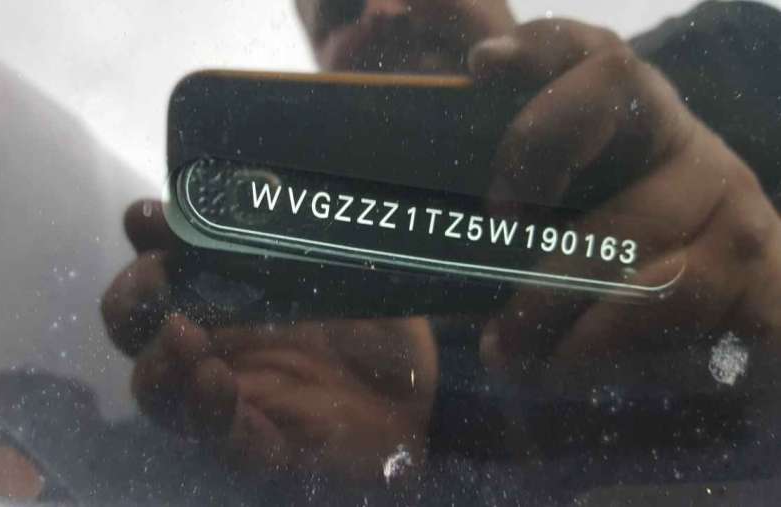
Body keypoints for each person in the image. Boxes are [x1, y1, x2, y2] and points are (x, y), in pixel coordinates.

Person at [103, 0, 781, 502]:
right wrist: (399, 475)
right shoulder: (323, 329)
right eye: (337, 9)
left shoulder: (729, 55)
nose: (379, 9)